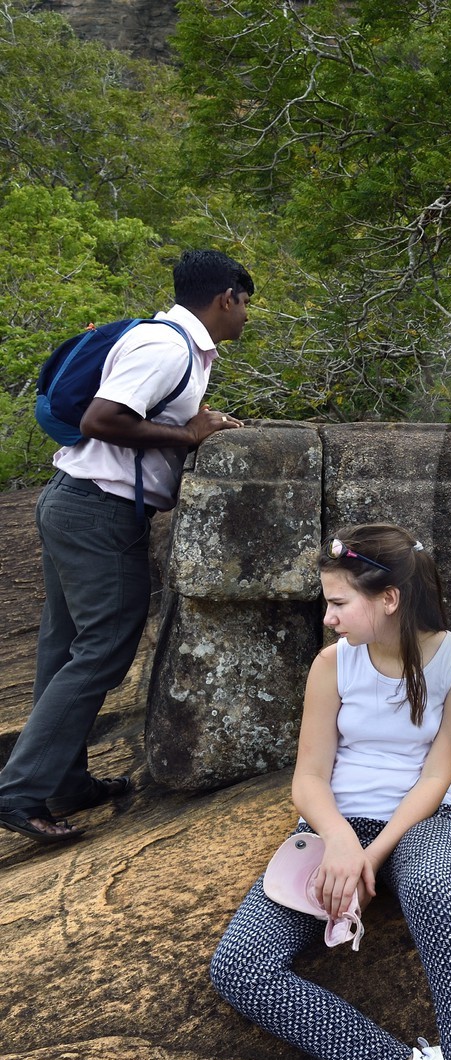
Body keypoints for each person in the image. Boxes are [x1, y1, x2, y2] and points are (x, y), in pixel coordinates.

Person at [210, 524, 451, 1060]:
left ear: (389, 598)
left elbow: (436, 776)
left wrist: (373, 853)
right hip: (332, 826)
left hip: (420, 823)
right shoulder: (332, 665)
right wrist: (343, 843)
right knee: (239, 967)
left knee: (431, 888)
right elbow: (308, 778)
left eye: (339, 603)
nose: (327, 618)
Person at [0, 250, 250, 842]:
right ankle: (19, 791)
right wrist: (188, 434)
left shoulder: (174, 347)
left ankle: (63, 782)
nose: (245, 317)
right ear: (226, 298)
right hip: (97, 513)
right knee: (104, 648)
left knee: (64, 649)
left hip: (79, 504)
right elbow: (102, 419)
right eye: (245, 304)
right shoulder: (167, 347)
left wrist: (197, 421)